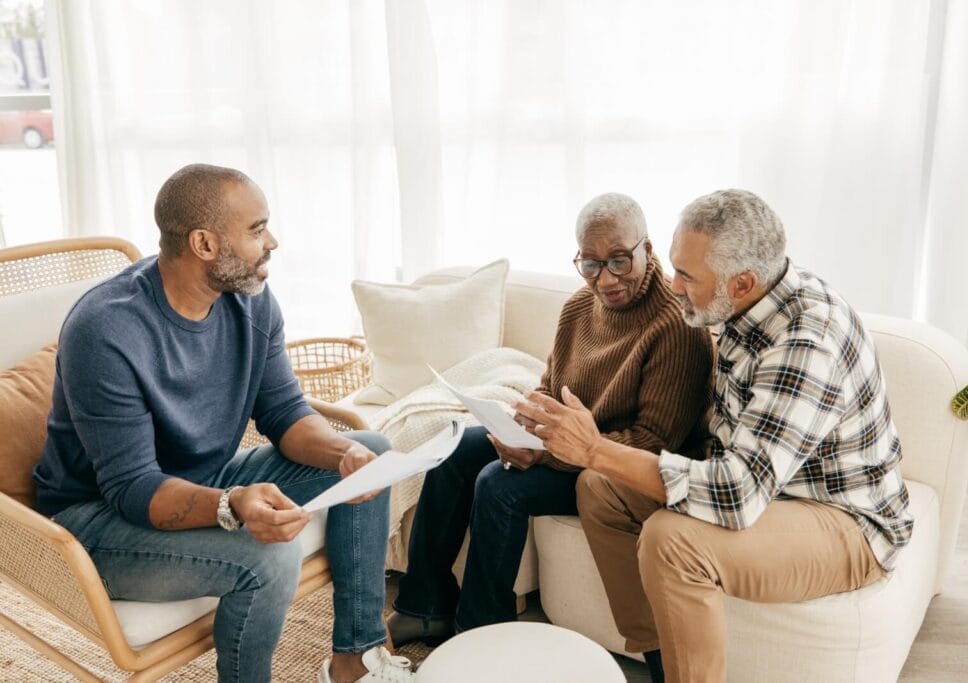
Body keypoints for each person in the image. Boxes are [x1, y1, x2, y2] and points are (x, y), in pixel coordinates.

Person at [32, 164, 412, 683]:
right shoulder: (105, 330)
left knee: (369, 447)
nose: (272, 241)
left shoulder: (249, 299)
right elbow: (131, 487)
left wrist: (340, 455)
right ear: (205, 243)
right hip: (94, 519)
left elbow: (284, 414)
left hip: (200, 475)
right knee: (268, 559)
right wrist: (231, 505)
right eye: (257, 229)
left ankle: (356, 659)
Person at [516, 189, 914, 683]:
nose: (672, 284)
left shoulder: (805, 343)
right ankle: (660, 660)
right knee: (599, 489)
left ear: (742, 282)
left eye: (686, 276)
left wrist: (595, 447)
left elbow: (736, 494)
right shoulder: (745, 302)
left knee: (670, 540)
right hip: (770, 488)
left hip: (844, 520)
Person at [386, 193, 713, 667]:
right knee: (456, 445)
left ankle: (480, 637)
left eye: (620, 260)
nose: (606, 279)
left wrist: (547, 453)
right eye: (591, 264)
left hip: (614, 468)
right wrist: (519, 427)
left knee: (498, 486)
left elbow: (651, 444)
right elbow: (549, 389)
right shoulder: (580, 306)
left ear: (648, 248)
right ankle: (423, 606)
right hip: (561, 447)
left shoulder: (677, 326)